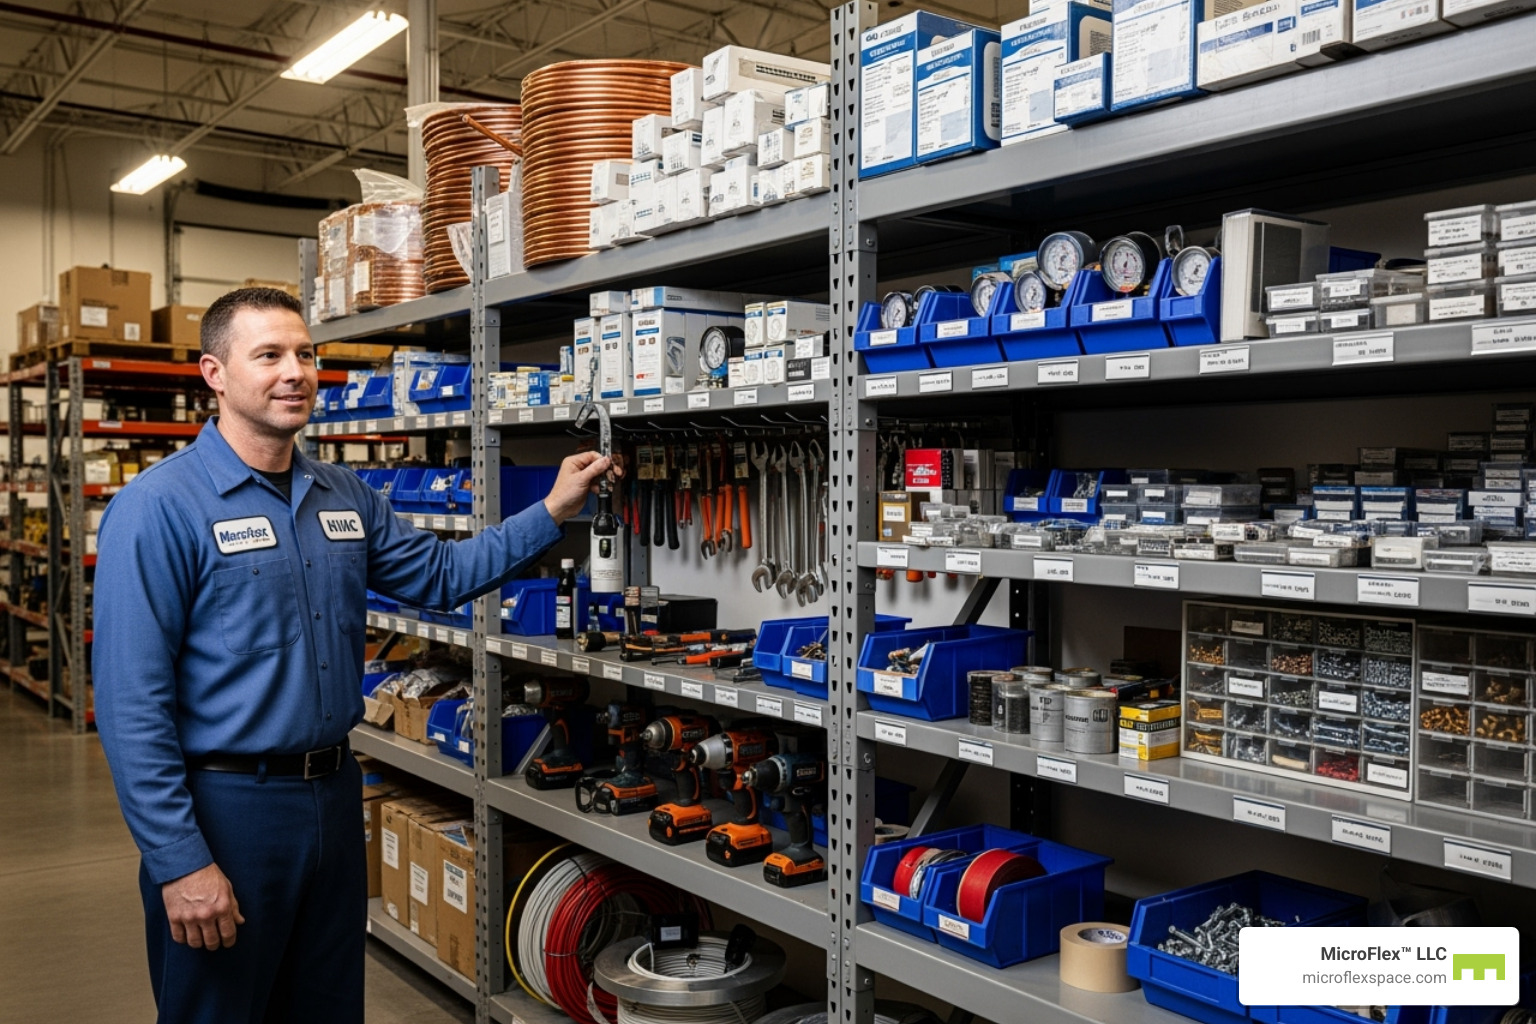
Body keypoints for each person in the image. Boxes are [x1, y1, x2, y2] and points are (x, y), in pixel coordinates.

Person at [93, 286, 612, 1024]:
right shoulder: (158, 508)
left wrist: (551, 510)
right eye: (268, 355)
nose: (295, 372)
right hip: (226, 810)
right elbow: (129, 704)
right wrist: (179, 860)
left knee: (328, 1007)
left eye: (305, 354)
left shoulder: (343, 495)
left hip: (333, 797)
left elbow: (440, 577)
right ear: (214, 373)